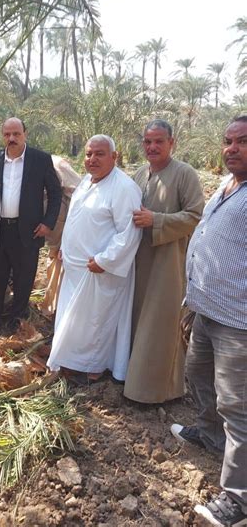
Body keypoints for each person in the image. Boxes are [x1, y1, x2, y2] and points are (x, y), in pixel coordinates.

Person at [170, 115, 247, 527]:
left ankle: (238, 500)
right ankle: (209, 435)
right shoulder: (227, 185)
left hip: (239, 320)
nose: (232, 148)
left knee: (238, 405)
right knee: (198, 376)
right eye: (228, 140)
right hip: (207, 311)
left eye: (242, 142)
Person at [47, 135, 142, 384]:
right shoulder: (87, 181)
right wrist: (64, 248)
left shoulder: (124, 188)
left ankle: (95, 368)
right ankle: (72, 361)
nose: (92, 159)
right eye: (89, 154)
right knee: (75, 318)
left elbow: (129, 232)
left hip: (100, 270)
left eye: (99, 154)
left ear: (114, 156)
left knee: (97, 323)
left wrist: (105, 260)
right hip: (76, 268)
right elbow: (76, 217)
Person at [123, 119, 204, 404]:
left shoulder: (185, 174)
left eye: (159, 141)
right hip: (139, 261)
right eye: (148, 141)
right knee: (136, 320)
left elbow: (195, 217)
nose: (153, 146)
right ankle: (132, 379)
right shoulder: (138, 174)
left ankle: (162, 391)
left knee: (162, 325)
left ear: (172, 143)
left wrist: (156, 220)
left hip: (168, 265)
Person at [0, 117, 61, 330]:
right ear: (2, 135)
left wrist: (48, 223)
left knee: (24, 280)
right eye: (7, 134)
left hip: (29, 231)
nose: (11, 138)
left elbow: (55, 193)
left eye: (16, 134)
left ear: (25, 133)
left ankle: (16, 322)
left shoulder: (40, 160)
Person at [41, 155, 81, 316]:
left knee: (61, 261)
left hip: (63, 221)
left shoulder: (56, 163)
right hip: (51, 223)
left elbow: (77, 191)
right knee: (56, 260)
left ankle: (58, 308)